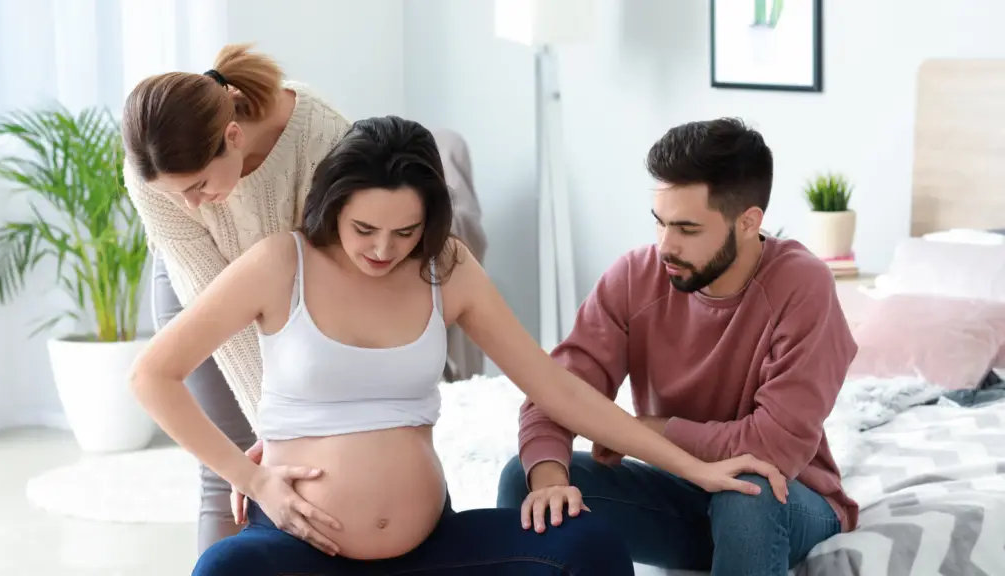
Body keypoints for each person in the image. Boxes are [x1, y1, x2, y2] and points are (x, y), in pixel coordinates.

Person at [128, 115, 791, 575]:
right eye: (364, 229)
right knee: (225, 568)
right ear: (333, 205)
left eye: (405, 232)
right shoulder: (282, 264)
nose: (383, 250)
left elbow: (555, 388)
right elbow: (153, 376)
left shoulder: (445, 267)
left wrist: (694, 468)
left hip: (431, 548)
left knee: (589, 545)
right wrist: (249, 477)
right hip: (302, 547)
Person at [496, 118, 860, 576]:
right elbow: (556, 393)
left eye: (687, 229)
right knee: (525, 478)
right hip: (676, 495)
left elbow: (771, 448)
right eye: (660, 223)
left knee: (747, 488)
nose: (666, 246)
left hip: (785, 501)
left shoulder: (803, 285)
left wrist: (644, 430)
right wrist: (551, 481)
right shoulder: (634, 277)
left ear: (748, 222)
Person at [121, 43, 351, 552]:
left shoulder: (323, 138)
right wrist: (269, 446)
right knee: (229, 469)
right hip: (197, 288)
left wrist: (297, 432)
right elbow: (216, 304)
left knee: (311, 465)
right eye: (174, 194)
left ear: (233, 136)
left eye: (199, 185)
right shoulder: (151, 175)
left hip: (301, 292)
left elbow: (332, 284)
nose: (190, 204)